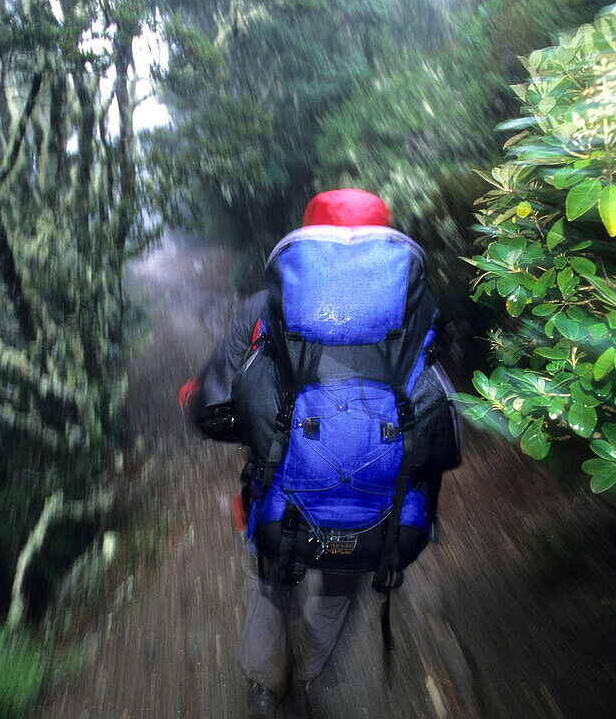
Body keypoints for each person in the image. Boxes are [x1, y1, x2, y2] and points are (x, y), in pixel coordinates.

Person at [180, 189, 458, 719]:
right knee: (341, 583)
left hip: (279, 494)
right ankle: (309, 673)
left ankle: (267, 687)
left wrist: (210, 408)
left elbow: (210, 407)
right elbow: (435, 414)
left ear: (307, 236)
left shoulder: (265, 308)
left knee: (266, 578)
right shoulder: (417, 313)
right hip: (377, 506)